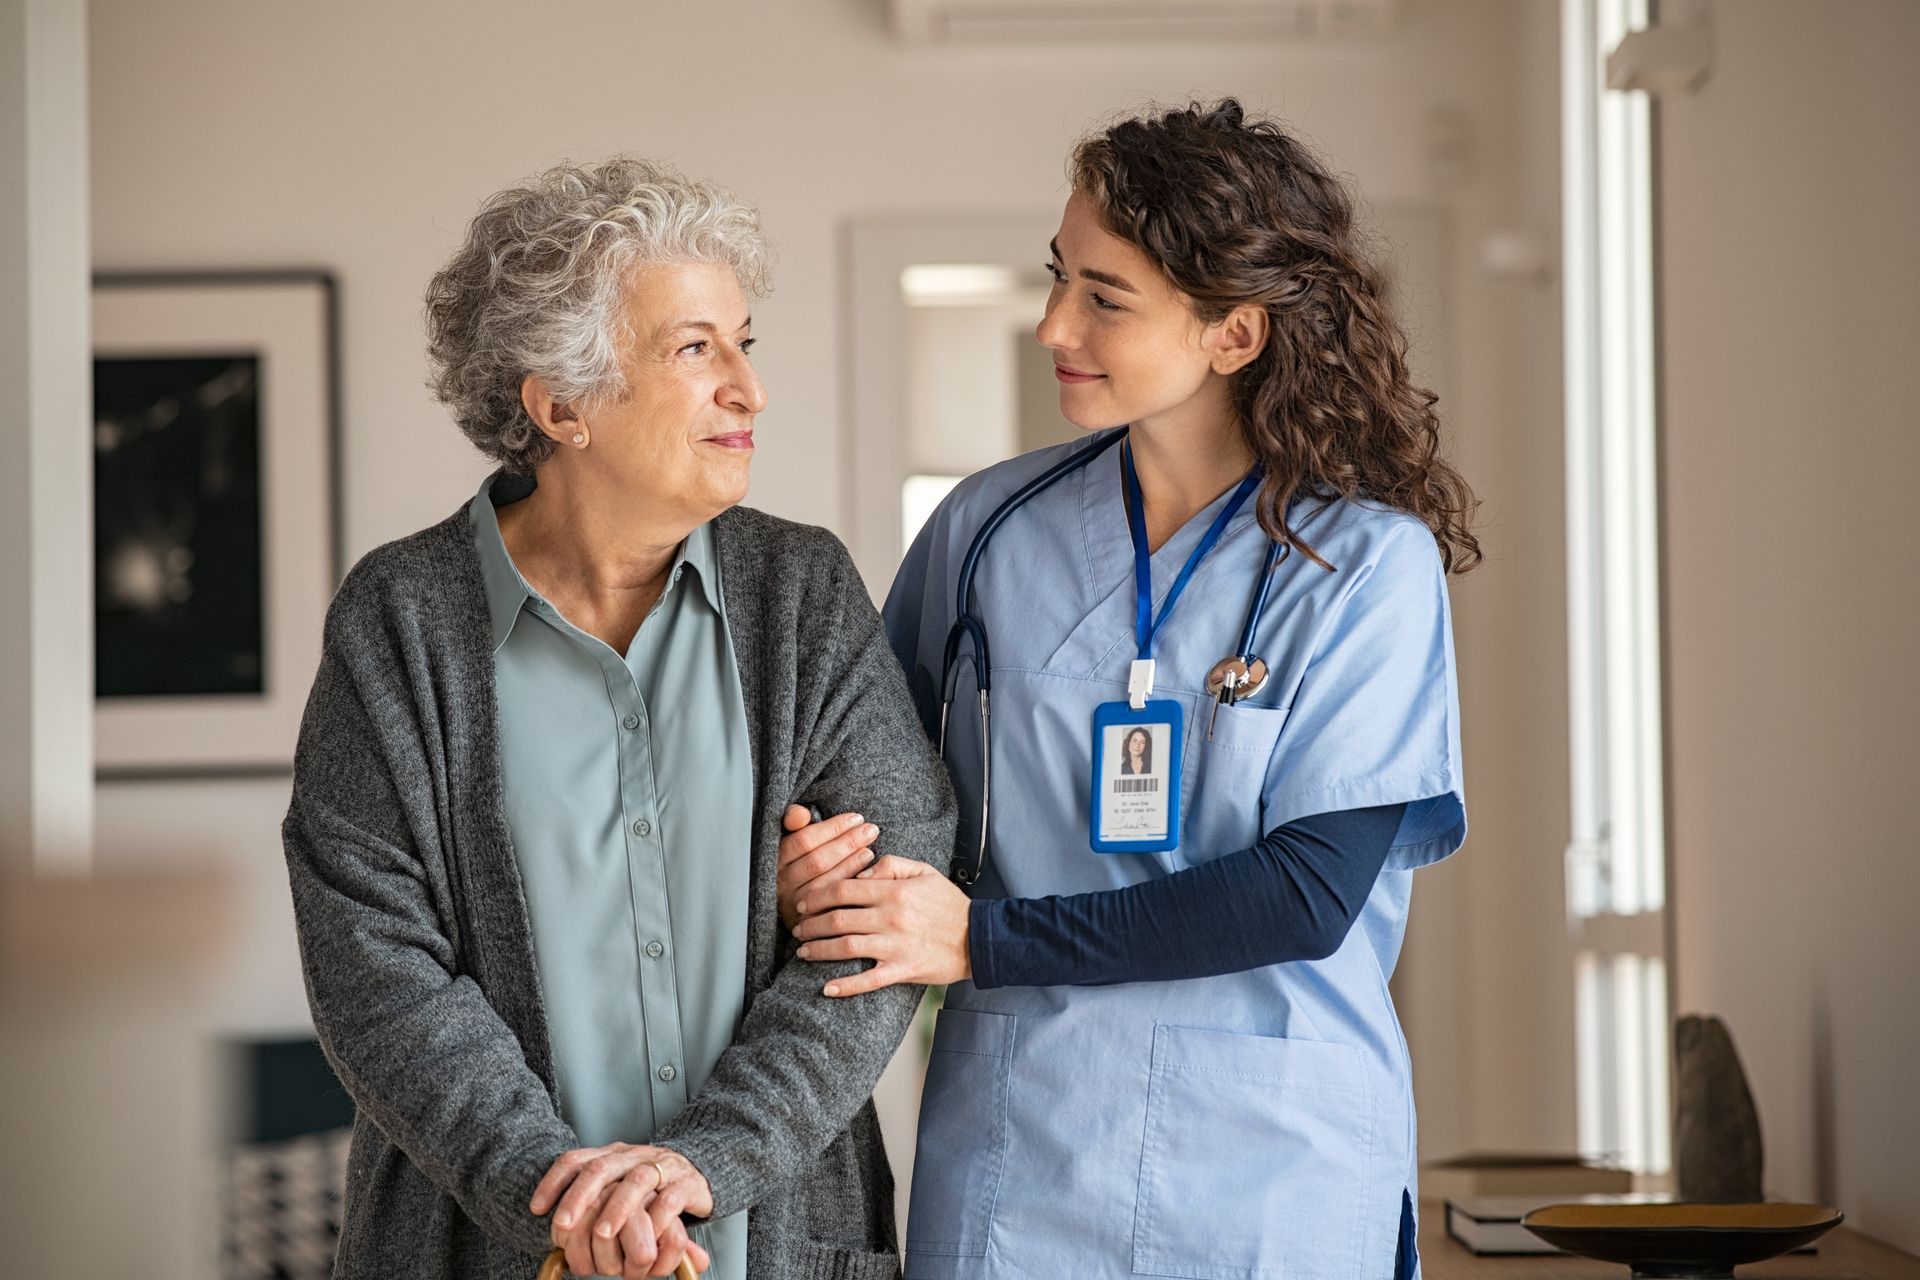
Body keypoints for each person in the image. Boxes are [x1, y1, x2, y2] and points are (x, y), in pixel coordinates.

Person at [778, 100, 1477, 1278]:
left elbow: (1307, 893)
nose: (1054, 321)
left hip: (1274, 1165)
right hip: (1024, 1151)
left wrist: (981, 940)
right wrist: (825, 858)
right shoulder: (984, 531)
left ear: (1234, 333)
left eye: (1106, 297)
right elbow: (870, 783)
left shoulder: (1364, 566)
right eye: (1060, 278)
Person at [281, 157, 954, 1280]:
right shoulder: (398, 620)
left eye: (746, 342)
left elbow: (884, 918)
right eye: (696, 348)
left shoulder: (804, 592)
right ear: (560, 404)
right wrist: (565, 1202)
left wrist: (704, 1163)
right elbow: (375, 967)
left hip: (775, 1242)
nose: (749, 387)